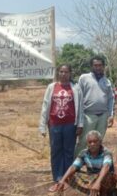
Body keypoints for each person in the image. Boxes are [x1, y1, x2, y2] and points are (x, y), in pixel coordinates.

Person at [39, 64, 84, 192]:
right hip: (54, 124)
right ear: (58, 73)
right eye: (61, 71)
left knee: (69, 151)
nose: (63, 74)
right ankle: (58, 178)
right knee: (56, 151)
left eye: (66, 72)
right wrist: (42, 126)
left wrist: (80, 124)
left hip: (70, 124)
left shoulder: (75, 88)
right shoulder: (51, 87)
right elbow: (45, 105)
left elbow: (80, 107)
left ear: (70, 73)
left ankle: (68, 177)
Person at [56, 130, 117, 196]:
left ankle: (105, 193)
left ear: (100, 142)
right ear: (87, 143)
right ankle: (91, 191)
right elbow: (73, 166)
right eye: (90, 142)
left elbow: (106, 167)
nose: (92, 144)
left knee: (106, 176)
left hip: (104, 178)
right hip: (91, 177)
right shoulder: (84, 153)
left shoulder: (106, 152)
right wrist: (62, 180)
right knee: (71, 175)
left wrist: (97, 182)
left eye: (95, 141)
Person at [75, 56, 115, 156]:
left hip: (103, 116)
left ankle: (94, 165)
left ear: (104, 66)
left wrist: (111, 114)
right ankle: (76, 165)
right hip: (88, 115)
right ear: (91, 66)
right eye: (95, 65)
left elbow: (110, 99)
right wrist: (79, 117)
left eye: (100, 65)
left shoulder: (107, 81)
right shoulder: (84, 78)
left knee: (98, 142)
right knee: (84, 142)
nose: (98, 67)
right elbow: (78, 97)